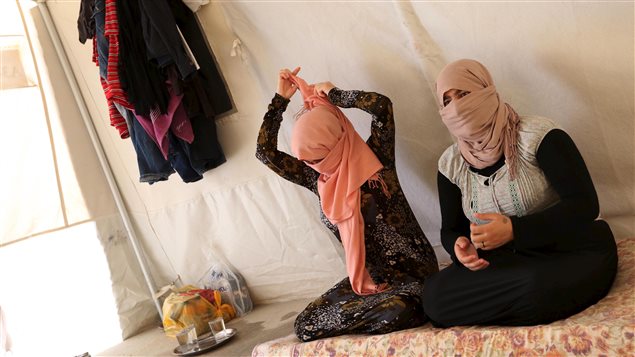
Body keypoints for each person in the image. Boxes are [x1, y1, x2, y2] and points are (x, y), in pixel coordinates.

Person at [422, 59, 618, 327]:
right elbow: (450, 229)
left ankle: (518, 304)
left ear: (486, 91)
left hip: (569, 249)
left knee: (537, 286)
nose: (456, 106)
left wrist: (515, 230)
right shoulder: (450, 164)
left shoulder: (539, 137)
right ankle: (529, 306)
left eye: (464, 94)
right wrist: (459, 247)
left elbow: (585, 205)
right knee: (434, 297)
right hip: (509, 263)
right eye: (447, 101)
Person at [256, 67, 438, 341]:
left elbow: (381, 106)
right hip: (369, 280)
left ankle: (379, 312)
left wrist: (336, 94)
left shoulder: (378, 159)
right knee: (305, 324)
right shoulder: (318, 179)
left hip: (413, 276)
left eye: (318, 158)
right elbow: (265, 152)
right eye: (308, 160)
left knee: (398, 310)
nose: (314, 166)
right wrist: (279, 100)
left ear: (336, 142)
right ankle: (371, 313)